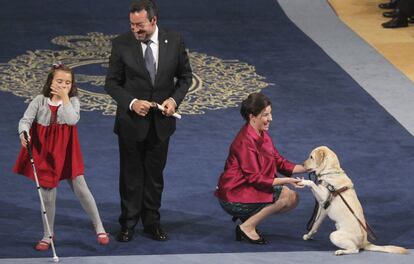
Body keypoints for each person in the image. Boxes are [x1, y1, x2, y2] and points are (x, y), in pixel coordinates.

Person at [104, 0, 192, 242]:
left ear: (153, 20)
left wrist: (174, 100)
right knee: (130, 176)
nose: (135, 30)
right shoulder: (121, 44)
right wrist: (132, 102)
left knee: (154, 176)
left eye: (140, 25)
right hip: (131, 123)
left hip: (161, 124)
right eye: (132, 25)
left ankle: (152, 222)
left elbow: (185, 77)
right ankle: (128, 223)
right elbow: (111, 83)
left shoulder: (174, 41)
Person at [13, 63, 109, 251]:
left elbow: (72, 119)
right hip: (44, 151)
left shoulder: (72, 101)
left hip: (66, 150)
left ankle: (99, 226)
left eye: (67, 83)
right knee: (47, 194)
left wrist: (65, 98)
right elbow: (25, 121)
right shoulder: (39, 100)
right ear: (51, 82)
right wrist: (23, 133)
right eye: (59, 81)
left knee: (81, 187)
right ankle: (47, 234)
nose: (63, 85)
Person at [215, 92, 308, 244]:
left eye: (270, 114)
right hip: (234, 195)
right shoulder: (244, 142)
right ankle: (247, 227)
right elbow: (256, 179)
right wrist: (288, 180)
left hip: (247, 188)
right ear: (252, 117)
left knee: (293, 198)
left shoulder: (262, 134)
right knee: (286, 196)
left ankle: (248, 218)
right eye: (265, 115)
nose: (270, 119)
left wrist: (307, 167)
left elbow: (280, 162)